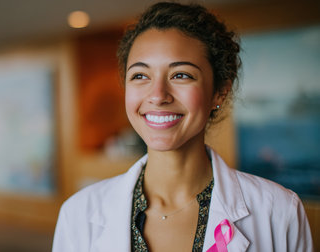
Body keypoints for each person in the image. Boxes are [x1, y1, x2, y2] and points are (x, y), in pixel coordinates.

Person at [52, 2, 313, 252]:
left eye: (181, 75)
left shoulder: (279, 212)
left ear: (219, 92)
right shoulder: (78, 214)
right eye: (140, 76)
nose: (158, 95)